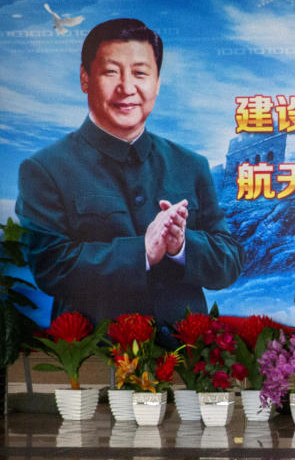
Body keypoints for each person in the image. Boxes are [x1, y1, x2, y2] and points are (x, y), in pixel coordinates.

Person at [15, 18, 243, 342]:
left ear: (157, 82)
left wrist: (181, 246)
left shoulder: (191, 164)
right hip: (96, 361)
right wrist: (143, 253)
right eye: (111, 72)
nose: (127, 88)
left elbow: (229, 259)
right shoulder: (45, 168)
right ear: (84, 78)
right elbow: (51, 267)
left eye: (140, 73)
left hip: (186, 361)